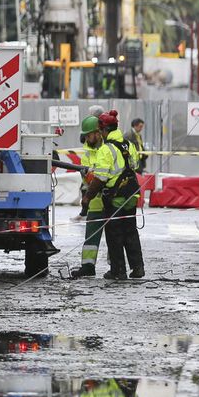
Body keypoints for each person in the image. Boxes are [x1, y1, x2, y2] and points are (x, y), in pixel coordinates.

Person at [71, 115, 125, 279]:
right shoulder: (88, 151)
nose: (87, 138)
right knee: (91, 236)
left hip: (112, 197)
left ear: (98, 132)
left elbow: (117, 169)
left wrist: (98, 178)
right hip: (95, 200)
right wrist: (88, 179)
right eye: (86, 136)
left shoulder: (111, 147)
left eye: (89, 135)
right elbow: (86, 176)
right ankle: (87, 266)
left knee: (114, 235)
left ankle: (114, 267)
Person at [99, 111, 144, 279]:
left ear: (105, 130)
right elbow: (135, 164)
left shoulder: (106, 149)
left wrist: (88, 196)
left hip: (115, 197)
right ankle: (138, 268)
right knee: (131, 232)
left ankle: (118, 270)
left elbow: (101, 177)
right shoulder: (128, 144)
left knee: (114, 234)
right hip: (131, 194)